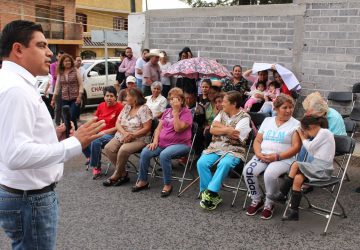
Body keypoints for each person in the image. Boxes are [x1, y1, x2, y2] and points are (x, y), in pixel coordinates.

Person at [0, 19, 105, 249]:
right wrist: (74, 144)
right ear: (18, 49)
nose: (50, 53)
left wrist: (51, 137)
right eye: (41, 45)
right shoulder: (16, 89)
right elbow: (15, 154)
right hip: (29, 197)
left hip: (22, 193)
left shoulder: (11, 83)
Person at [242, 94, 301, 220]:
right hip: (263, 155)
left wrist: (277, 157)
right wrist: (258, 153)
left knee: (269, 174)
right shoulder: (267, 121)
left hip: (284, 158)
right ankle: (257, 199)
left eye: (291, 107)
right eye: (285, 107)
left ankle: (269, 203)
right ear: (276, 108)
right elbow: (257, 141)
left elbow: (296, 147)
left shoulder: (296, 124)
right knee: (248, 171)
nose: (289, 110)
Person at [132, 87, 193, 197]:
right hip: (162, 143)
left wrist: (175, 113)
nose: (173, 101)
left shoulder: (186, 112)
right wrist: (155, 141)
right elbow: (158, 129)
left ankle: (168, 184)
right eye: (171, 98)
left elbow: (178, 128)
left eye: (176, 98)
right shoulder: (166, 112)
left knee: (164, 155)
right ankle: (143, 180)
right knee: (145, 152)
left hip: (181, 144)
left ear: (182, 100)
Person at [197, 91, 251, 210]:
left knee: (224, 163)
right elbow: (212, 130)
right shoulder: (222, 113)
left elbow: (235, 135)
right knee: (201, 162)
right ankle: (210, 194)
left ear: (234, 103)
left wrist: (220, 128)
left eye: (225, 102)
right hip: (216, 146)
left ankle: (210, 193)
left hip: (234, 149)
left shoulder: (245, 118)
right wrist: (227, 130)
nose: (222, 104)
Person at [280, 115, 335, 221]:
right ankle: (294, 212)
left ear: (311, 127)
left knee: (296, 164)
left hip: (323, 170)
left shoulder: (324, 132)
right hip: (316, 167)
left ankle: (282, 193)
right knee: (297, 179)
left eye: (307, 132)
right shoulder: (321, 134)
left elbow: (309, 147)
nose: (308, 136)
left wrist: (301, 134)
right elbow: (312, 150)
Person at [103, 88, 152, 187]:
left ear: (135, 98)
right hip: (122, 134)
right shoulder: (127, 107)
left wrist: (132, 135)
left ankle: (117, 174)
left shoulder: (144, 109)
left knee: (123, 150)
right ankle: (123, 173)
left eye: (128, 96)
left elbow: (147, 128)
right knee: (108, 148)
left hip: (139, 138)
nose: (125, 98)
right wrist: (125, 133)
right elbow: (118, 123)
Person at [83, 86, 123, 179]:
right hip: (100, 132)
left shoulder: (120, 107)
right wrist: (88, 128)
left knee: (95, 141)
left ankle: (96, 166)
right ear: (104, 97)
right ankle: (90, 156)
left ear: (115, 97)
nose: (109, 98)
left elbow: (118, 127)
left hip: (113, 134)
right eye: (107, 96)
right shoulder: (101, 105)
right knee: (82, 137)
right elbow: (95, 119)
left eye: (111, 96)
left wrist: (104, 132)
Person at [51, 54, 84, 130]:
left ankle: (73, 133)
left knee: (72, 116)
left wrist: (79, 96)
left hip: (75, 98)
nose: (68, 62)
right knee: (66, 118)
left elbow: (81, 84)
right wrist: (53, 99)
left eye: (69, 61)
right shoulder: (61, 72)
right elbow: (57, 86)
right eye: (66, 61)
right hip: (64, 99)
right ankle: (71, 133)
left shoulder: (75, 70)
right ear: (62, 62)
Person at [50, 50, 64, 125]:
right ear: (57, 57)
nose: (61, 58)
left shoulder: (65, 65)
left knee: (64, 105)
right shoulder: (53, 65)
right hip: (57, 87)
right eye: (59, 56)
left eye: (62, 56)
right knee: (58, 105)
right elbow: (54, 76)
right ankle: (57, 122)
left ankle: (64, 121)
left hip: (65, 87)